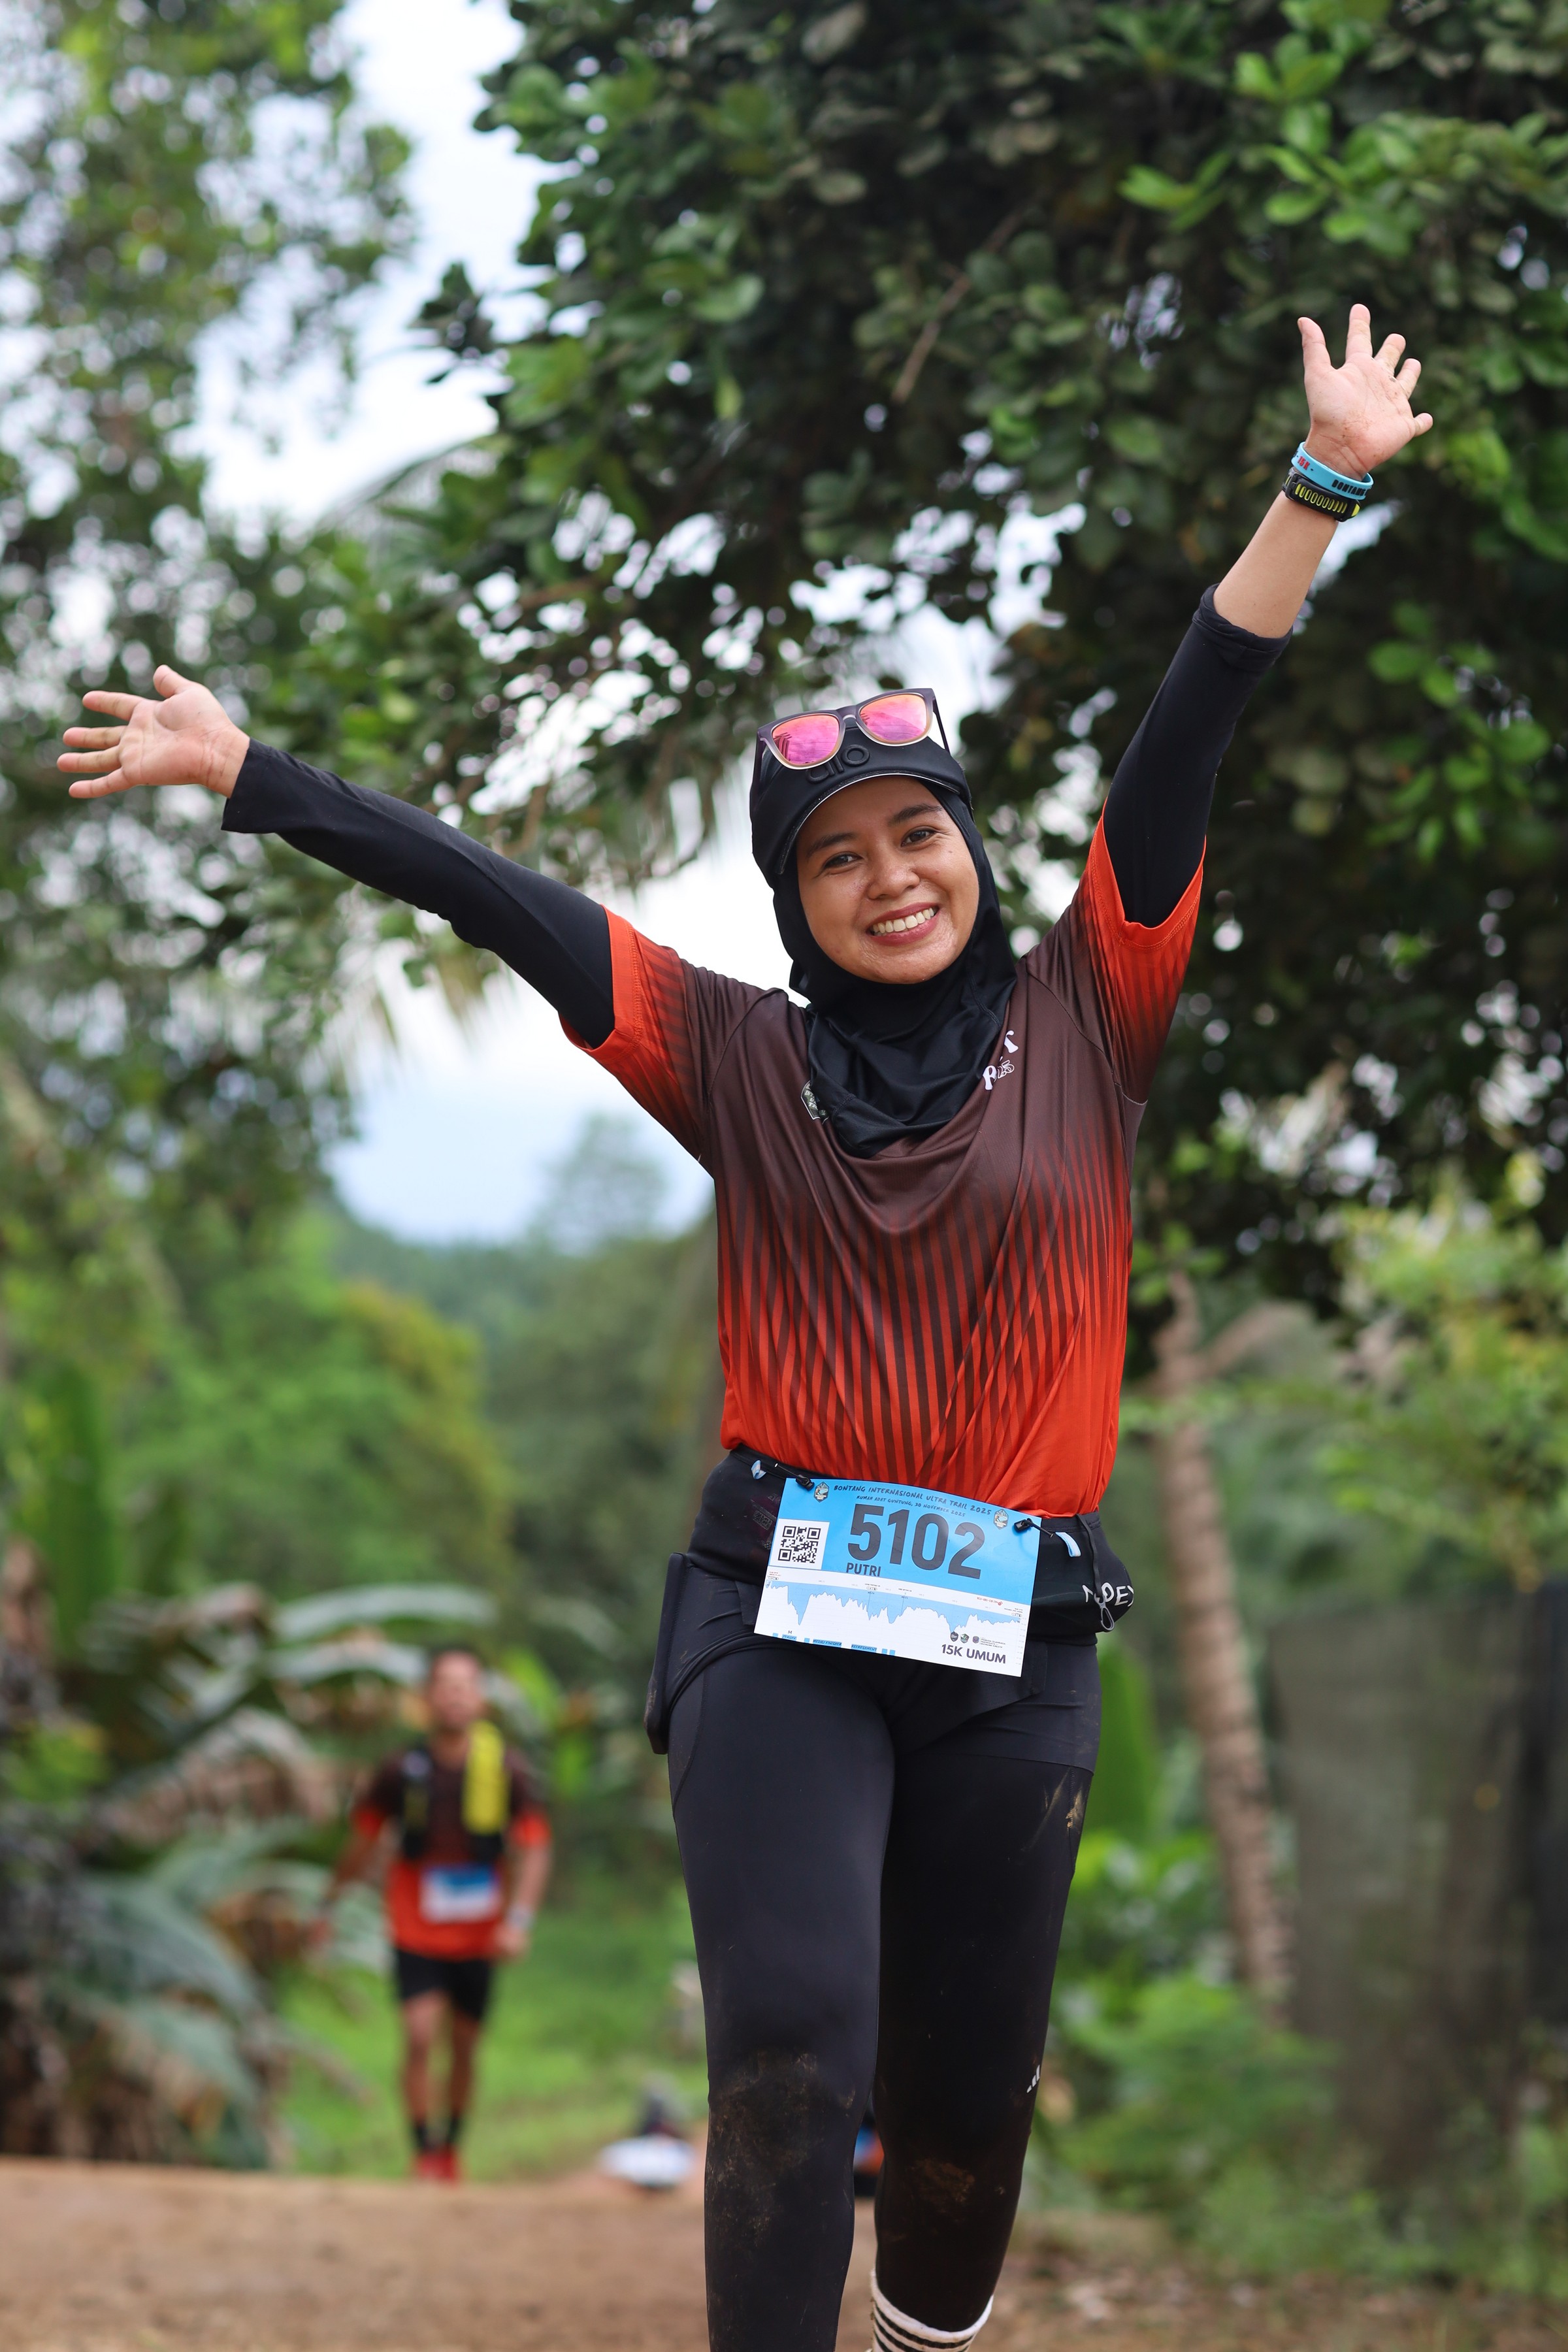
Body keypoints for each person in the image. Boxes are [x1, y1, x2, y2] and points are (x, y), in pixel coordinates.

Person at [60, 307, 1429, 2344]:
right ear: (794, 903)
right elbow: (491, 896)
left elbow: (1186, 729)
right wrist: (252, 774)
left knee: (956, 2129)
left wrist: (1315, 483)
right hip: (775, 1609)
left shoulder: (1090, 1010)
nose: (888, 880)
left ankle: (929, 2316)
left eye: (916, 835)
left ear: (969, 851)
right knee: (792, 2044)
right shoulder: (732, 1053)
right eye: (833, 860)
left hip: (1017, 1642)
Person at [314, 1643, 552, 2180]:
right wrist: (329, 1905)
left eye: (465, 1686)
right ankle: (424, 2153)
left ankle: (451, 2150)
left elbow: (536, 1846)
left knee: (464, 2046)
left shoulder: (507, 1769)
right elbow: (362, 1840)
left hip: (480, 1935)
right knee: (420, 2035)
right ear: (426, 1698)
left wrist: (519, 1920)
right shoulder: (400, 1770)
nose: (455, 1697)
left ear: (481, 1698)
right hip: (415, 1928)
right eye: (445, 1686)